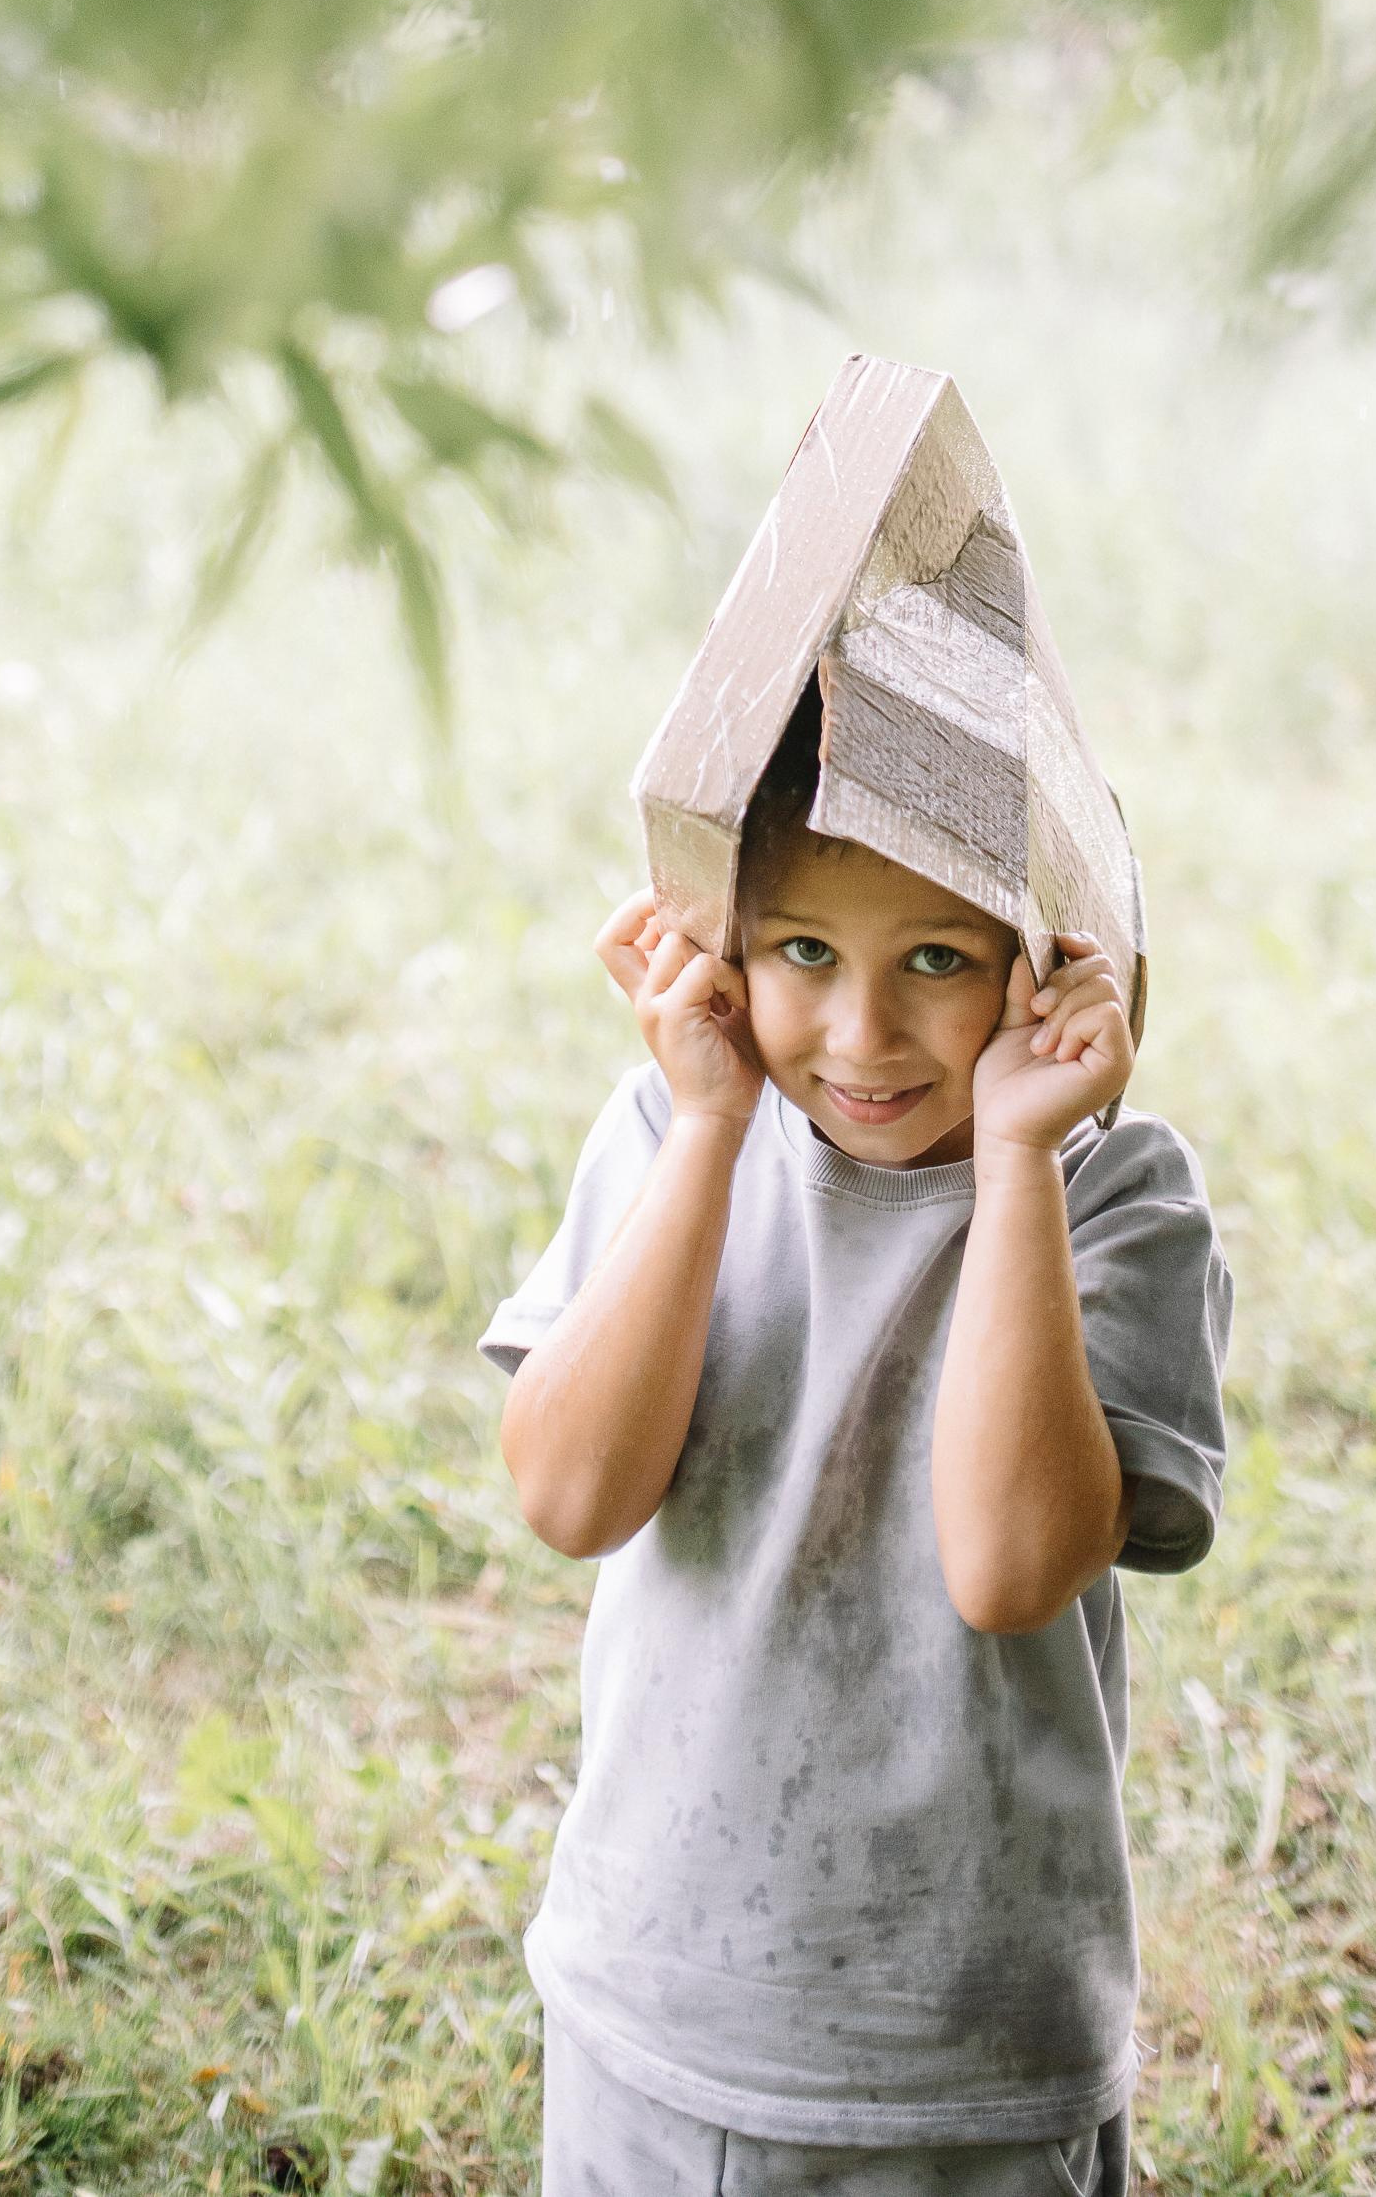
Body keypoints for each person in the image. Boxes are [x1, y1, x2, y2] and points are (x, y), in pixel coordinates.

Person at [480, 683, 1233, 2197]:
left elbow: (1014, 1567)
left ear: (1048, 966)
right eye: (805, 953)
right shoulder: (663, 1131)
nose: (862, 1030)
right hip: (653, 2004)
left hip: (962, 2057)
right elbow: (569, 1495)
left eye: (938, 960)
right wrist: (702, 1131)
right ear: (727, 949)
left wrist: (1016, 1155)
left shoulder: (1118, 1198)